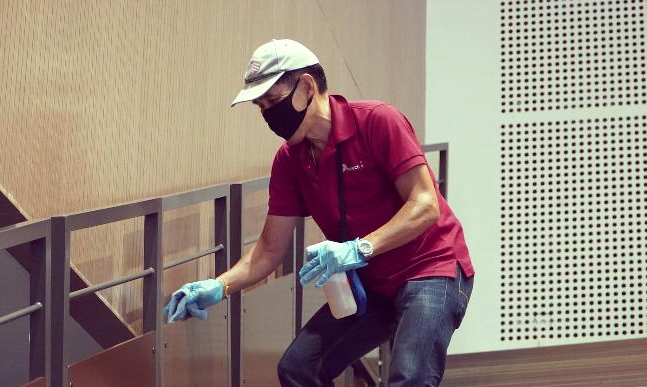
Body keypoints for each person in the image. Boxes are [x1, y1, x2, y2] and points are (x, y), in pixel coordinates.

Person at [165, 38, 475, 386]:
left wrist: (359, 249)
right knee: (299, 368)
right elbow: (269, 250)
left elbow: (425, 205)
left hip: (431, 269)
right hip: (372, 286)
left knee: (409, 378)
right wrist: (218, 286)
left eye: (273, 101)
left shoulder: (377, 121)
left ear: (307, 87)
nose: (269, 115)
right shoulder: (289, 161)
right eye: (261, 107)